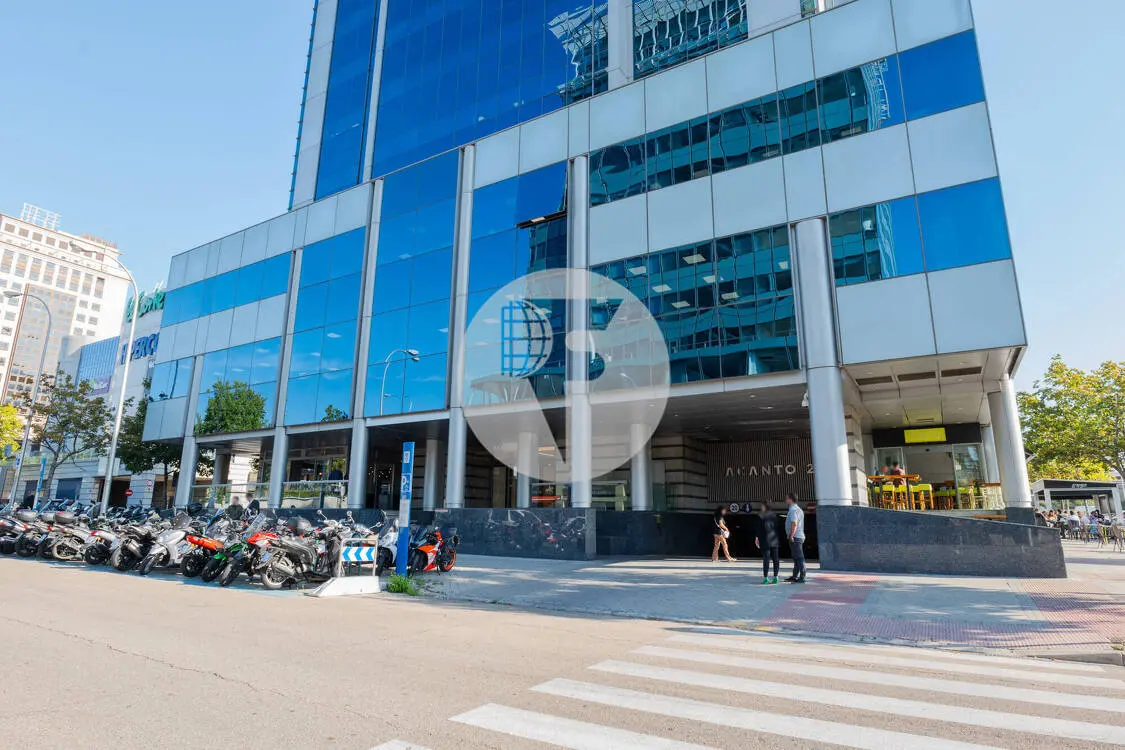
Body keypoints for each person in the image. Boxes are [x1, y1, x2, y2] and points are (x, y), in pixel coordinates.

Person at [754, 500, 780, 584]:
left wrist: (757, 538)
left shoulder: (761, 515)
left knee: (766, 559)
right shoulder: (774, 515)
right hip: (774, 539)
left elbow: (759, 528)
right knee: (775, 559)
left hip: (765, 540)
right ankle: (776, 577)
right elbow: (777, 527)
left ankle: (766, 578)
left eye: (762, 506)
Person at [784, 493, 806, 583]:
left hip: (795, 537)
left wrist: (791, 535)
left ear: (790, 499)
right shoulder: (798, 509)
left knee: (799, 557)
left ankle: (802, 577)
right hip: (797, 536)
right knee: (796, 558)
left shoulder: (793, 510)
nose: (785, 500)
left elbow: (794, 523)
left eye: (786, 499)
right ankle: (794, 576)